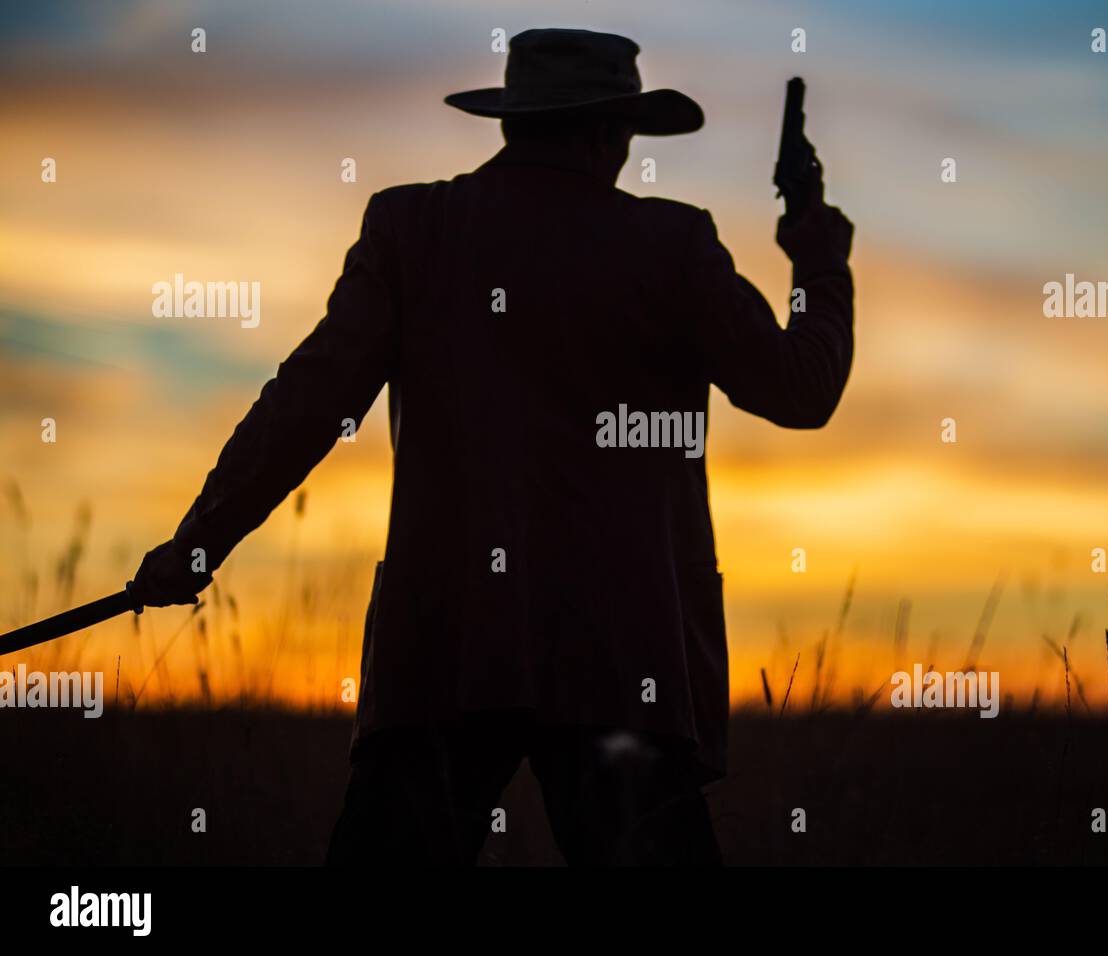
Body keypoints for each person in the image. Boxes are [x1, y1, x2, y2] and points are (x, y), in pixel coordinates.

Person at [131, 27, 855, 865]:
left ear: (513, 122)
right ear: (610, 132)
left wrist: (197, 546)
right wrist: (816, 258)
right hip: (625, 664)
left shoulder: (411, 230)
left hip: (444, 648)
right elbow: (802, 390)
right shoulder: (672, 246)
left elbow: (305, 403)